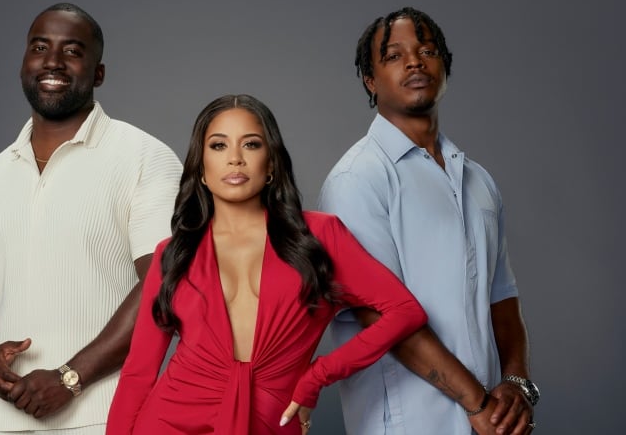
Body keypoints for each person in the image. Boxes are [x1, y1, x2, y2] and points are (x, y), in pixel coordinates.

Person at [105, 94, 427, 434]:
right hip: (169, 421)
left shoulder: (319, 237)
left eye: (251, 145)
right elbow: (138, 374)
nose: (235, 159)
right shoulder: (172, 254)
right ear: (200, 168)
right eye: (218, 146)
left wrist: (319, 375)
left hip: (273, 421)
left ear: (271, 164)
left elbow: (405, 311)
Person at [0, 3, 182, 435]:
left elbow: (163, 282)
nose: (52, 62)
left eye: (72, 51)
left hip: (107, 415)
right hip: (2, 419)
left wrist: (70, 379)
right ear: (24, 63)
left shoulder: (144, 158)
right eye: (40, 48)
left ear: (98, 73)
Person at [320, 6, 538, 435]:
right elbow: (381, 316)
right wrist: (477, 404)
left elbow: (502, 296)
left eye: (427, 50)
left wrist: (515, 385)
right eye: (394, 55)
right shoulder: (357, 180)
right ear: (370, 79)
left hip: (491, 420)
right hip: (407, 422)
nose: (415, 61)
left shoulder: (477, 179)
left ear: (445, 67)